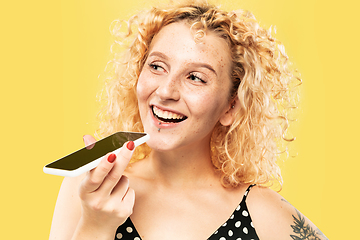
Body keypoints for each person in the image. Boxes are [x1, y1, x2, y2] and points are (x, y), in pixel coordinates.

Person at [49, 0, 328, 239]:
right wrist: (96, 226)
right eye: (157, 66)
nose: (166, 91)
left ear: (230, 107)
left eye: (195, 77)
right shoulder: (87, 191)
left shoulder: (259, 213)